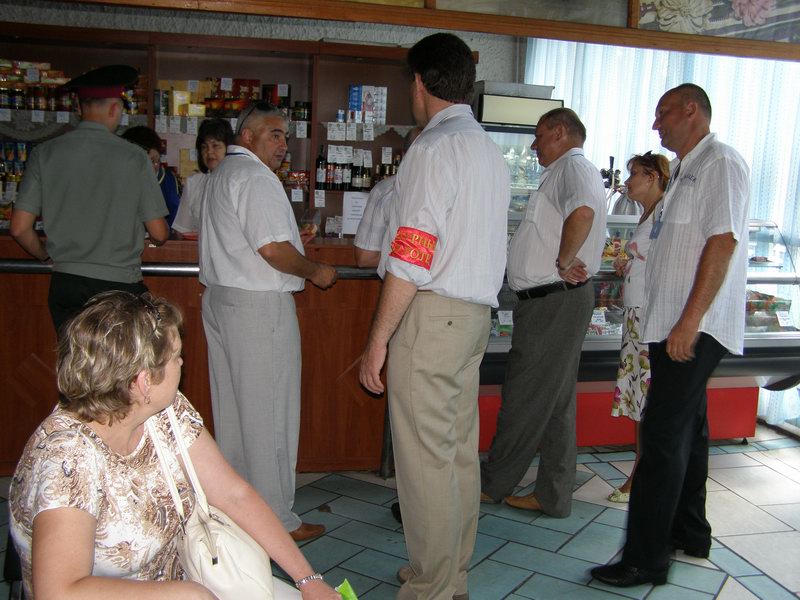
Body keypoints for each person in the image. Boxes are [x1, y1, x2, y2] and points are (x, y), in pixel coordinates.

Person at [9, 291, 340, 600]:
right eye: (176, 357)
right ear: (143, 382)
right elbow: (59, 591)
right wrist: (187, 595)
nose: (182, 364)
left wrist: (308, 580)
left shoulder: (165, 411)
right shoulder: (68, 459)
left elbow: (233, 494)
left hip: (184, 575)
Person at [359, 33, 509, 600]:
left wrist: (379, 338)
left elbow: (413, 250)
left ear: (420, 82)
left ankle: (432, 587)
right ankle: (450, 572)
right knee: (455, 453)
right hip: (473, 318)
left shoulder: (431, 148)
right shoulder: (486, 149)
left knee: (423, 459)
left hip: (432, 316)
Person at [591, 83, 750, 587]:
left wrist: (689, 321)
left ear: (691, 110)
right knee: (689, 432)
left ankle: (645, 559)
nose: (655, 124)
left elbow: (723, 241)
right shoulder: (684, 170)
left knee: (661, 437)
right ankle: (689, 532)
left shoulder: (719, 163)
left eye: (663, 114)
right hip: (670, 321)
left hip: (692, 325)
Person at [199, 102, 337, 543]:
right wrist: (315, 271)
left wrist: (294, 242)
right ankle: (277, 521)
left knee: (235, 415)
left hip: (221, 299)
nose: (283, 145)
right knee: (270, 414)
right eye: (274, 134)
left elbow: (257, 241)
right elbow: (272, 250)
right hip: (258, 307)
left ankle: (239, 509)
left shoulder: (221, 173)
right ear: (248, 136)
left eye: (286, 137)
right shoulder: (255, 177)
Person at [480, 108, 606, 518]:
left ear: (559, 131)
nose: (534, 145)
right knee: (554, 403)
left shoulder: (573, 168)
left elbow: (582, 212)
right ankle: (553, 494)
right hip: (553, 300)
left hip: (553, 300)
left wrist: (563, 260)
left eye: (539, 135)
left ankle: (492, 484)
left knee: (523, 395)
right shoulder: (566, 171)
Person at [9, 65, 169, 336]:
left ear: (78, 107)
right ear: (115, 109)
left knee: (75, 360)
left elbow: (19, 228)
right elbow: (159, 233)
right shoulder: (133, 157)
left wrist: (45, 256)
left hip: (66, 283)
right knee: (120, 361)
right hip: (118, 286)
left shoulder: (44, 153)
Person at [607, 152, 670, 503]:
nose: (628, 181)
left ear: (653, 176)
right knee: (638, 395)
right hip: (636, 315)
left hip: (650, 316)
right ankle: (640, 470)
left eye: (634, 174)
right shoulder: (647, 214)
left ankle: (642, 475)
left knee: (646, 395)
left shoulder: (665, 213)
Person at [353, 127, 422, 268]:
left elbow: (366, 258)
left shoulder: (386, 190)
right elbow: (365, 259)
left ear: (404, 154)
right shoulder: (384, 190)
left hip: (400, 278)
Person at [172, 118, 235, 237]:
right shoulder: (194, 182)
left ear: (229, 148)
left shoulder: (240, 181)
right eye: (204, 147)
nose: (209, 152)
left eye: (215, 146)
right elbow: (182, 229)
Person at [121, 125, 182, 227]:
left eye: (157, 160)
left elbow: (175, 217)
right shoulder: (118, 179)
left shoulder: (167, 180)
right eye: (150, 161)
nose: (155, 166)